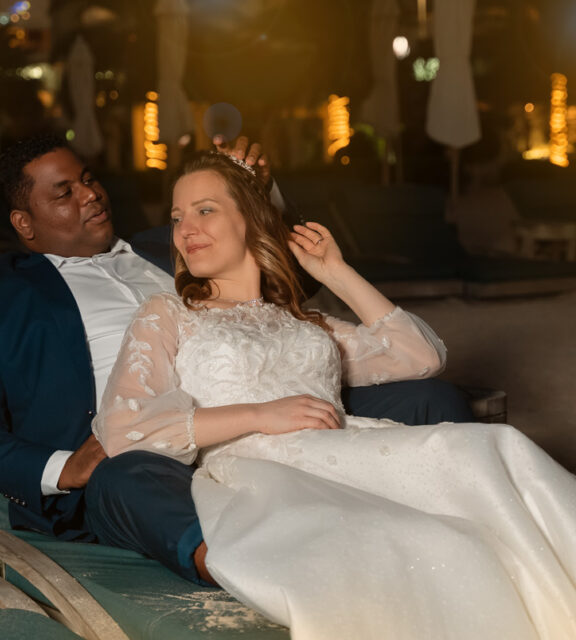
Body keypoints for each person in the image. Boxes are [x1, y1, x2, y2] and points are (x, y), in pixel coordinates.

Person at [0, 134, 470, 588]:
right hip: (139, 452)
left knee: (432, 398)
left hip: (270, 399)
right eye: (65, 193)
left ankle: (470, 526)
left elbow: (280, 292)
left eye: (89, 178)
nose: (91, 194)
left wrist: (258, 189)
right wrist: (64, 468)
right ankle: (250, 571)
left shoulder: (169, 244)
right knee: (125, 477)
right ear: (24, 223)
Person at [93, 151, 576, 639]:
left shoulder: (305, 320)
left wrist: (336, 272)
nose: (185, 229)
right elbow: (126, 425)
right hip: (266, 474)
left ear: (252, 220)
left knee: (492, 450)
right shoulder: (169, 313)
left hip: (350, 445)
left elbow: (421, 355)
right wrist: (260, 414)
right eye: (176, 217)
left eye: (204, 210)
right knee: (443, 544)